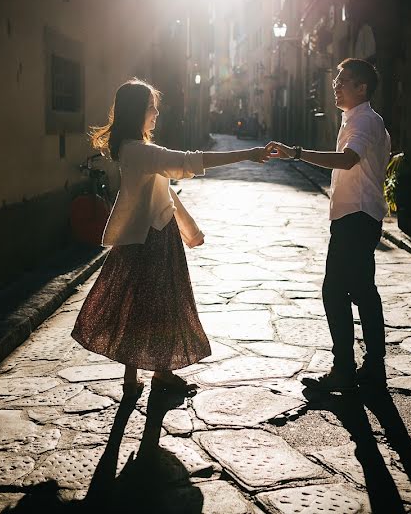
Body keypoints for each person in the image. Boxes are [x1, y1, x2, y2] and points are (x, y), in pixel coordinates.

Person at [72, 78, 270, 397]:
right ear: (137, 112)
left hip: (155, 236)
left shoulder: (135, 149)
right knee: (155, 307)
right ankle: (157, 374)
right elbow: (188, 162)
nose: (156, 113)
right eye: (151, 107)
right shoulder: (139, 151)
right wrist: (249, 153)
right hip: (149, 240)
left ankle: (137, 376)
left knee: (144, 306)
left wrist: (189, 230)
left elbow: (165, 194)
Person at [269, 58, 391, 393]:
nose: (335, 86)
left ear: (361, 87)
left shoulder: (364, 121)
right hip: (357, 216)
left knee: (336, 291)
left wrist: (296, 153)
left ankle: (345, 369)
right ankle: (372, 367)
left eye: (343, 81)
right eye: (335, 80)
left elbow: (347, 160)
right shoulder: (358, 119)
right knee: (362, 291)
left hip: (356, 217)